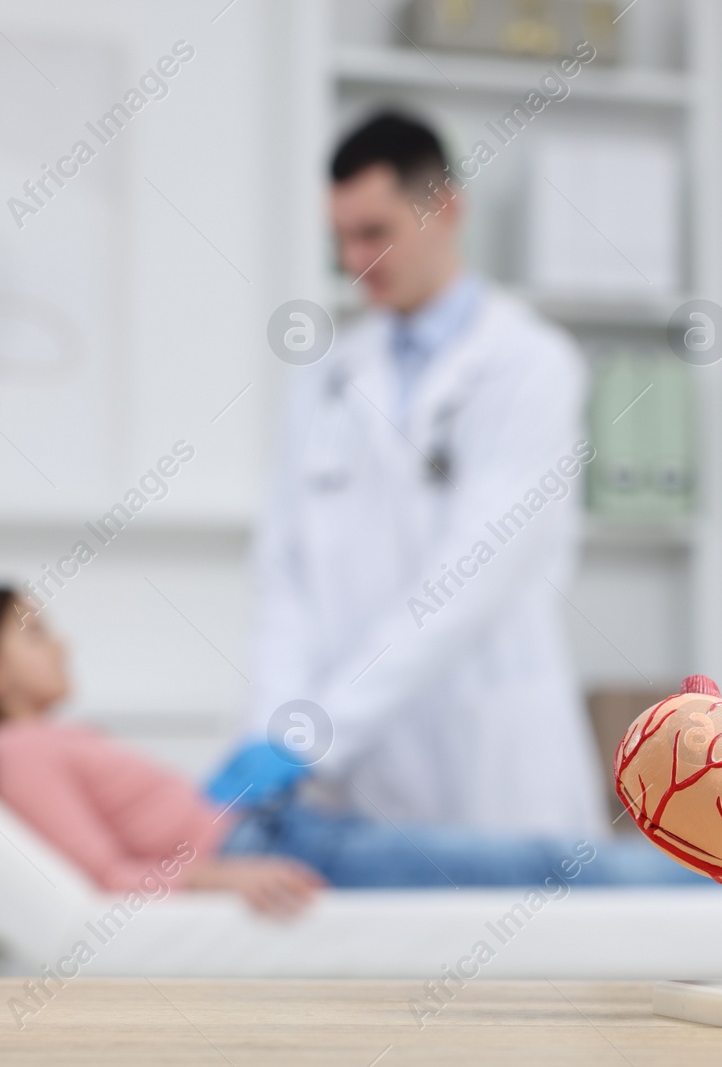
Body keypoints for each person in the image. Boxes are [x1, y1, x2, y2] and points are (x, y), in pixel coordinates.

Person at [211, 111, 604, 837]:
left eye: (375, 233)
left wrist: (317, 734)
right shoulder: (328, 376)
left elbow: (469, 574)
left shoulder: (528, 366)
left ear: (445, 208)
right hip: (359, 770)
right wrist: (276, 724)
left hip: (488, 757)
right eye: (342, 238)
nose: (356, 259)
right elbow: (285, 571)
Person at [0, 588, 702, 917]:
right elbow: (100, 877)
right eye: (35, 632)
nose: (60, 641)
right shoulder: (21, 752)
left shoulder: (32, 743)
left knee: (542, 859)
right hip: (270, 844)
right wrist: (221, 873)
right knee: (542, 862)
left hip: (272, 824)